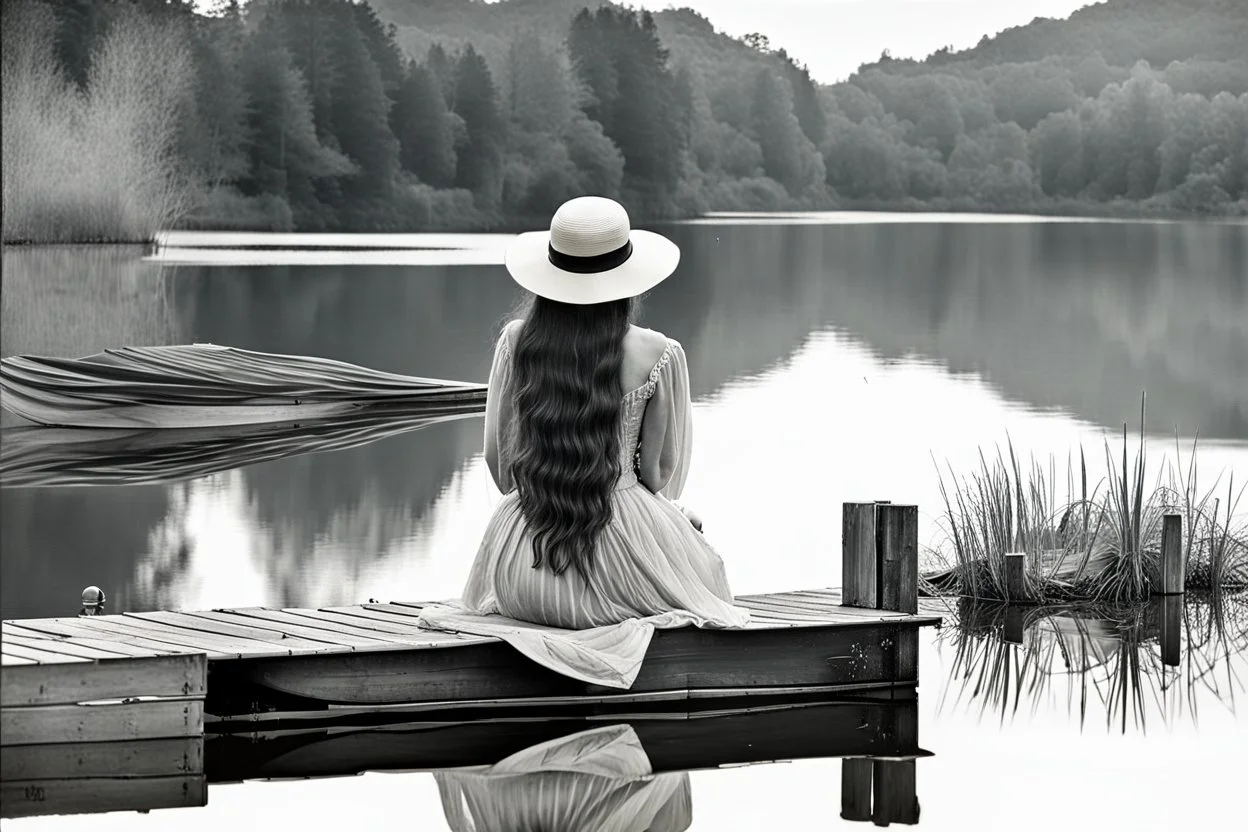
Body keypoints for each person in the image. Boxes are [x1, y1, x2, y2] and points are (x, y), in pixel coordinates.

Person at [418, 196, 749, 688]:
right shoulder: (659, 353)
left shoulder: (516, 340)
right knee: (698, 547)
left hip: (521, 575)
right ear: (627, 275)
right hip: (619, 581)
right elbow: (660, 477)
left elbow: (498, 461)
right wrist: (666, 522)